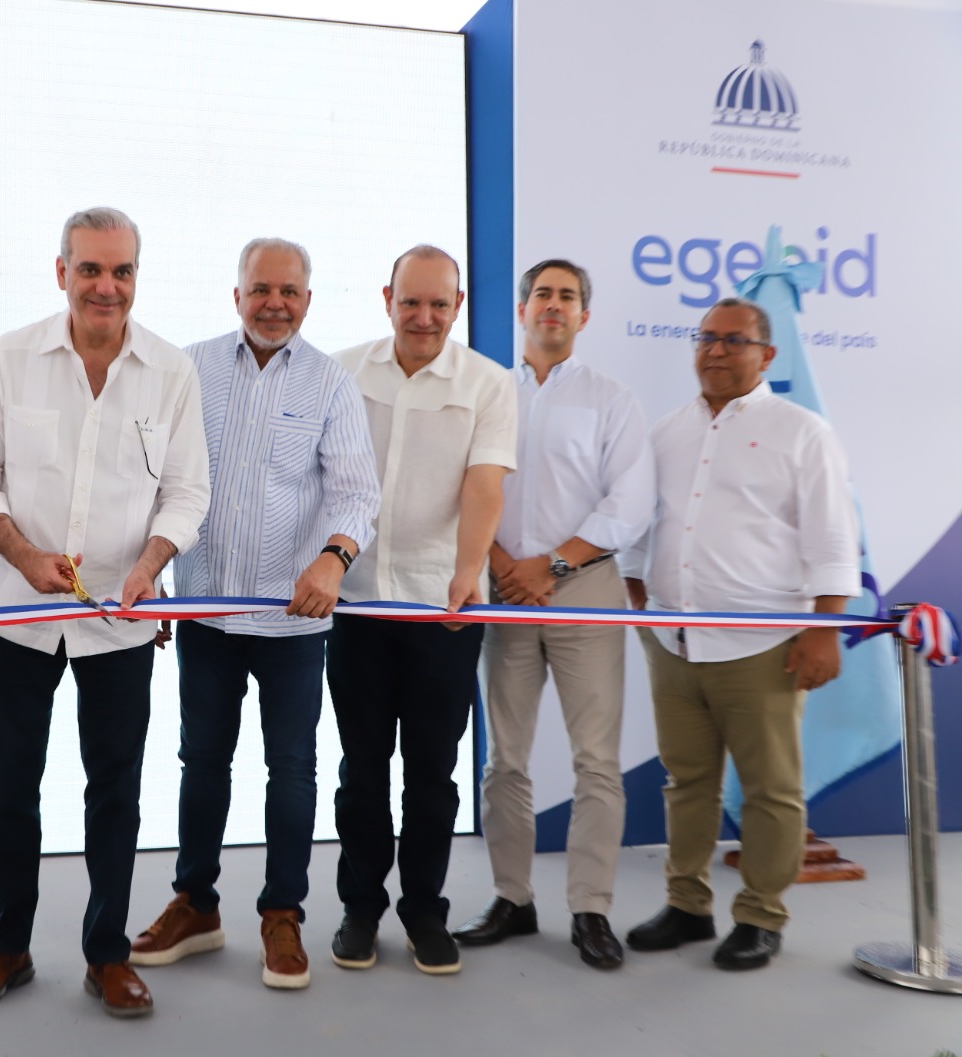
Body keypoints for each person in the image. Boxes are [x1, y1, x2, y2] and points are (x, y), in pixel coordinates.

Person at [0, 207, 210, 1019]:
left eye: (121, 271)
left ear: (137, 276)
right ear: (62, 272)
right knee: (10, 790)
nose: (107, 287)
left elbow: (187, 491)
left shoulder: (169, 371)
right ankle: (8, 947)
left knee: (116, 793)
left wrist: (151, 564)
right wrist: (23, 555)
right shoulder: (11, 357)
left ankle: (108, 954)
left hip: (120, 620)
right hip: (16, 616)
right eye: (91, 269)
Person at [128, 238, 378, 990]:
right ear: (236, 294)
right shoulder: (190, 368)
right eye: (262, 289)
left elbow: (357, 494)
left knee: (291, 769)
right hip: (206, 613)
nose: (275, 304)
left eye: (289, 292)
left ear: (308, 300)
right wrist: (154, 573)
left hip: (292, 621)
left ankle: (283, 914)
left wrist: (333, 560)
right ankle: (195, 904)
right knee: (201, 762)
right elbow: (159, 481)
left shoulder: (331, 383)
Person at [620, 297, 859, 971]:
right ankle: (688, 905)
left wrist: (823, 631)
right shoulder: (667, 431)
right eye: (706, 338)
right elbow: (643, 523)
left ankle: (760, 915)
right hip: (674, 643)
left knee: (770, 788)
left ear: (767, 355)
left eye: (733, 340)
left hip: (764, 647)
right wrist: (638, 596)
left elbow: (832, 536)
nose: (716, 351)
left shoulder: (802, 432)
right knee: (687, 781)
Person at [451, 260, 654, 970]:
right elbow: (463, 486)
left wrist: (553, 566)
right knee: (504, 756)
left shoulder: (611, 399)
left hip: (584, 590)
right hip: (504, 588)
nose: (554, 305)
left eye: (568, 297)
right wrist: (503, 565)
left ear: (583, 316)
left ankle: (590, 908)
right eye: (543, 294)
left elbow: (630, 502)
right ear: (522, 309)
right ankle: (512, 898)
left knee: (596, 759)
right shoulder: (489, 393)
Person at [326, 245, 517, 977]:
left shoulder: (488, 384)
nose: (424, 317)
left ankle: (424, 913)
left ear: (458, 307)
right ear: (388, 299)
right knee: (362, 769)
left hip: (443, 609)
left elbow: (484, 485)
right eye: (411, 302)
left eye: (439, 304)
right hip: (358, 604)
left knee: (433, 773)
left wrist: (468, 575)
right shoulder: (344, 372)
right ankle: (360, 909)